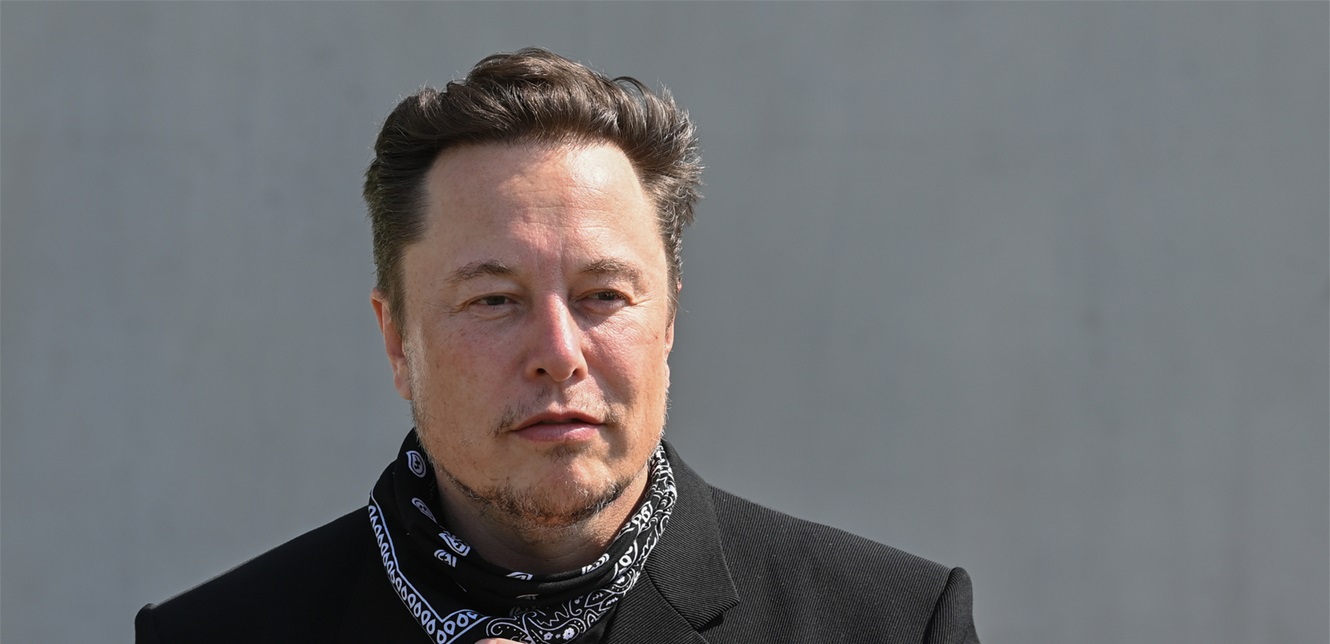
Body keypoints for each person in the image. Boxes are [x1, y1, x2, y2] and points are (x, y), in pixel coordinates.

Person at [135, 48, 980, 644]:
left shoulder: (888, 623)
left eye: (603, 296)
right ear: (396, 340)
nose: (558, 352)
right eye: (494, 300)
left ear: (669, 324)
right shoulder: (213, 634)